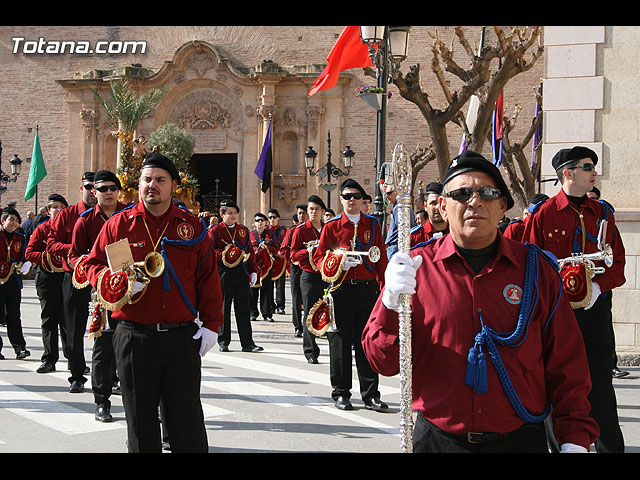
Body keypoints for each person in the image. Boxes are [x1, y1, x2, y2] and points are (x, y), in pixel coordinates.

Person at [362, 150, 601, 453]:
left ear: (502, 207)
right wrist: (390, 303)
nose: (474, 201)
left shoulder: (536, 270)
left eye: (487, 193)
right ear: (443, 208)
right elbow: (381, 361)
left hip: (520, 440)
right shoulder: (415, 268)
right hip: (438, 441)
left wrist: (574, 439)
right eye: (461, 193)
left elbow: (568, 364)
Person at [83, 152, 223, 453]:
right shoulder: (120, 225)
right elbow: (92, 265)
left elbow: (208, 277)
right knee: (140, 420)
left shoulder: (191, 226)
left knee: (186, 419)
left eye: (160, 180)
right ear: (139, 185)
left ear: (174, 185)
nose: (152, 186)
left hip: (181, 337)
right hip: (134, 336)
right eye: (147, 180)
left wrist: (212, 325)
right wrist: (109, 279)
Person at [520, 146, 627, 453]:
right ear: (568, 173)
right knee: (558, 384)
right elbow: (530, 265)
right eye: (587, 166)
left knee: (601, 390)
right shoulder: (543, 214)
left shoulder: (603, 213)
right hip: (558, 314)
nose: (594, 171)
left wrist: (597, 288)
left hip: (595, 312)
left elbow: (617, 265)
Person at [313, 179, 389, 412]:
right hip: (341, 289)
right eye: (347, 196)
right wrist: (337, 263)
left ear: (363, 200)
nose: (352, 200)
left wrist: (386, 290)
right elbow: (318, 258)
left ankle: (370, 395)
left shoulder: (373, 225)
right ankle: (341, 393)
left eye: (356, 196)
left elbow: (381, 258)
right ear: (341, 200)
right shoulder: (332, 226)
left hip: (367, 289)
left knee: (366, 343)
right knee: (340, 344)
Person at [69, 170, 128, 422]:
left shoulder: (131, 216)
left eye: (113, 188)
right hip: (103, 293)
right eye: (102, 188)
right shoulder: (84, 221)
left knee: (134, 349)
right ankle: (102, 401)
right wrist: (92, 272)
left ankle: (144, 403)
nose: (108, 192)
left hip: (131, 290)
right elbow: (74, 255)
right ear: (94, 192)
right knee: (103, 349)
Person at [47, 171, 96, 392]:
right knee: (73, 331)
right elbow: (52, 244)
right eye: (89, 186)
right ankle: (77, 374)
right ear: (81, 188)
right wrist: (78, 250)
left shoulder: (114, 215)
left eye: (101, 187)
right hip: (74, 277)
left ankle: (111, 376)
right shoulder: (66, 215)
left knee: (110, 331)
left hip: (104, 278)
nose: (94, 191)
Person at [209, 200, 263, 352]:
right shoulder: (215, 231)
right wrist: (226, 254)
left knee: (243, 308)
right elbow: (209, 253)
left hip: (241, 271)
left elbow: (250, 251)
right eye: (230, 213)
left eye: (235, 213)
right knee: (224, 307)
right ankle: (223, 341)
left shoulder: (243, 230)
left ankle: (247, 343)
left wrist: (254, 271)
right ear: (222, 214)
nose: (233, 216)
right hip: (224, 272)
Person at [25, 193, 68, 373]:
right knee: (49, 318)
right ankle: (49, 358)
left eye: (61, 207)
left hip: (66, 277)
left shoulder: (71, 229)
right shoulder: (42, 229)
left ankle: (74, 359)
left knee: (69, 319)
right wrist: (47, 257)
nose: (57, 210)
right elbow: (29, 252)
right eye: (54, 207)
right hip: (47, 276)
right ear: (48, 211)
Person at [290, 195, 326, 363]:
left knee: (329, 310)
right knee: (309, 313)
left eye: (317, 209)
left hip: (327, 275)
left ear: (322, 211)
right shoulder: (301, 230)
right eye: (311, 209)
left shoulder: (328, 229)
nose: (313, 212)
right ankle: (310, 351)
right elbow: (293, 255)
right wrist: (310, 250)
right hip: (309, 275)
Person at [0, 206, 31, 360]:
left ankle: (20, 348)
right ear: (3, 221)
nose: (14, 223)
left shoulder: (20, 238)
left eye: (16, 221)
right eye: (11, 219)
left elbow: (26, 254)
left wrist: (27, 263)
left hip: (13, 281)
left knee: (14, 316)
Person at [280, 208, 306, 337]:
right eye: (299, 213)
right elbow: (284, 249)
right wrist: (292, 260)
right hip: (296, 267)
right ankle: (298, 325)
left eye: (303, 213)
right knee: (296, 296)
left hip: (312, 267)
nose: (301, 216)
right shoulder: (292, 231)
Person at [249, 212, 279, 322]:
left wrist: (267, 248)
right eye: (257, 220)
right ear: (254, 223)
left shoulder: (271, 235)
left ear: (265, 222)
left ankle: (267, 313)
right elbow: (246, 249)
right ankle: (253, 312)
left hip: (267, 266)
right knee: (253, 289)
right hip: (254, 266)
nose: (260, 222)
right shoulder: (250, 235)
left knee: (267, 290)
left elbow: (276, 249)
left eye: (262, 220)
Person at [410, 181, 448, 247]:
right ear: (425, 206)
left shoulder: (457, 234)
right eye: (433, 203)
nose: (438, 207)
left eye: (442, 203)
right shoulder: (414, 236)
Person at [384, 184, 415, 259]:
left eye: (389, 193)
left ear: (397, 192)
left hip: (396, 247)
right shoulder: (400, 207)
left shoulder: (399, 207)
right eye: (386, 194)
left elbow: (402, 228)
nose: (386, 196)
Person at [267, 208, 287, 315]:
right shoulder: (266, 230)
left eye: (274, 217)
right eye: (270, 217)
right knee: (268, 284)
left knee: (280, 284)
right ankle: (270, 305)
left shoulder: (282, 230)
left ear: (278, 218)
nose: (272, 219)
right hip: (269, 259)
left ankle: (280, 306)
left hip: (280, 259)